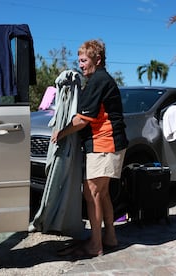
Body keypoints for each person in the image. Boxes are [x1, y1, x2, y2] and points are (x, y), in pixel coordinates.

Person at [51, 39, 128, 257]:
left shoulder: (98, 81)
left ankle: (95, 245)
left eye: (84, 60)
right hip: (110, 143)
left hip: (104, 143)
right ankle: (110, 237)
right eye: (79, 61)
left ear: (97, 60)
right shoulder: (101, 79)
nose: (81, 65)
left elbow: (82, 120)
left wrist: (61, 132)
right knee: (102, 194)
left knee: (92, 191)